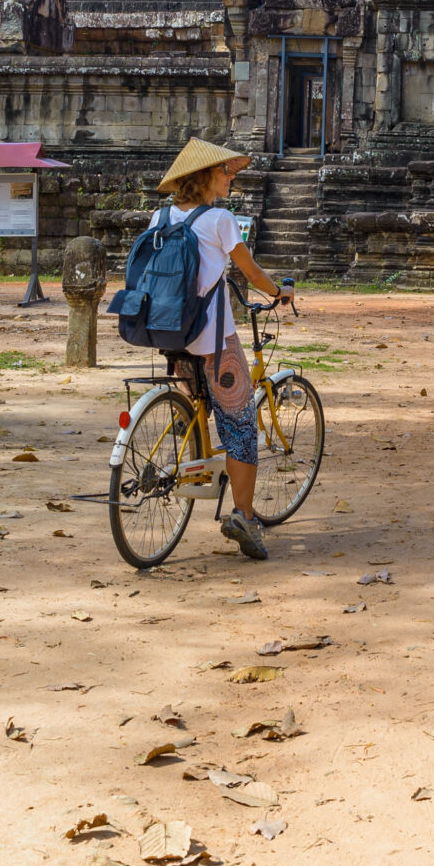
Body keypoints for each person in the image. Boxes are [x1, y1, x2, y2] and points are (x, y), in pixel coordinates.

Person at [150, 137, 294, 560]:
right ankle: (244, 518)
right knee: (242, 426)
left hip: (169, 335)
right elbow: (250, 271)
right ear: (207, 176)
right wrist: (280, 290)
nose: (232, 177)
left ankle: (185, 446)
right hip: (214, 339)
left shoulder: (159, 218)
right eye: (226, 171)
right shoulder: (220, 219)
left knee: (201, 410)